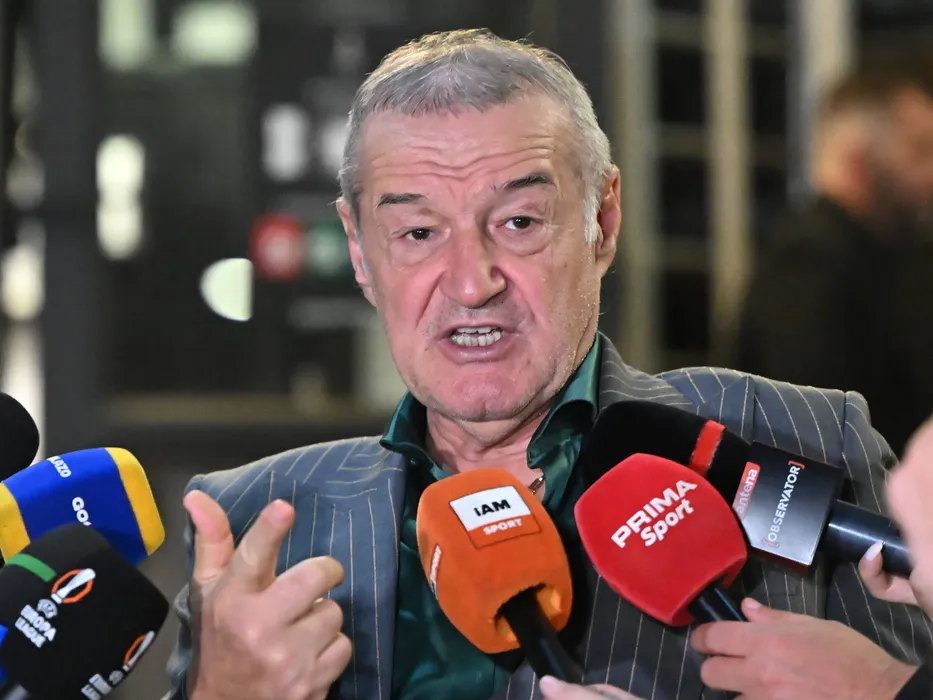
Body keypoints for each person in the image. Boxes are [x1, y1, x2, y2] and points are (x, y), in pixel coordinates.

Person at [164, 30, 933, 700]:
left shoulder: (801, 438)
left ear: (603, 220)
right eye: (418, 233)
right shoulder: (253, 522)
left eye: (518, 221)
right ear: (360, 253)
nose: (472, 282)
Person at [732, 51, 933, 457]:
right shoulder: (808, 266)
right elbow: (816, 438)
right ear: (858, 159)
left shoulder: (895, 257)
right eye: (919, 152)